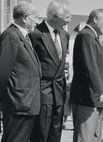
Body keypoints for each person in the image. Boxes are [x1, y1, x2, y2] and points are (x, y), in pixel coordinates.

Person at [0, 1, 41, 142]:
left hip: (26, 104)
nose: (37, 22)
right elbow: (1, 72)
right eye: (36, 17)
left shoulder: (23, 37)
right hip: (18, 104)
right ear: (25, 18)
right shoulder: (11, 36)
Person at [29, 1, 70, 142]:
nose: (69, 19)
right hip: (42, 91)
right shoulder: (35, 34)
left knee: (55, 133)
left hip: (59, 91)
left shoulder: (65, 35)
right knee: (41, 133)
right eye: (67, 16)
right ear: (57, 16)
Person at [70, 9, 103, 142]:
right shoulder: (86, 36)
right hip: (87, 98)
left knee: (94, 138)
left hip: (95, 98)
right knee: (85, 138)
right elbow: (90, 66)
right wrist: (100, 90)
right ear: (95, 19)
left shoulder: (92, 37)